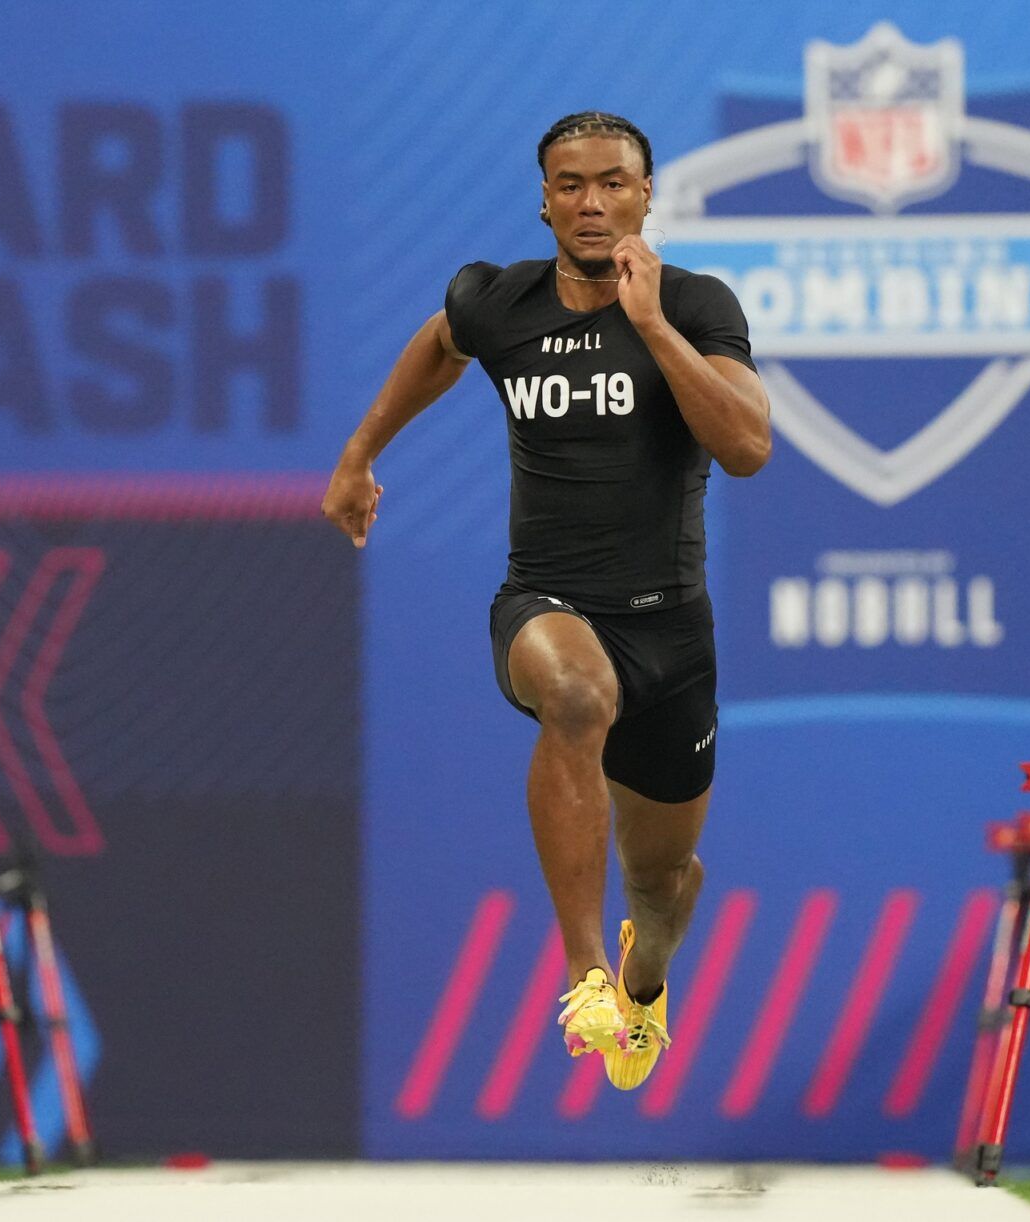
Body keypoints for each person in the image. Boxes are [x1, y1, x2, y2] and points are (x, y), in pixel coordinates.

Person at [321, 111, 770, 1090]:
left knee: (662, 882)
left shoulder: (695, 304)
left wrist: (648, 324)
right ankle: (585, 975)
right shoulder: (503, 301)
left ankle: (643, 980)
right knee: (573, 694)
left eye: (613, 182)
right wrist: (360, 456)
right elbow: (441, 345)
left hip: (672, 636)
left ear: (648, 195)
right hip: (547, 602)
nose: (593, 201)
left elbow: (746, 446)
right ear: (545, 199)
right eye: (571, 184)